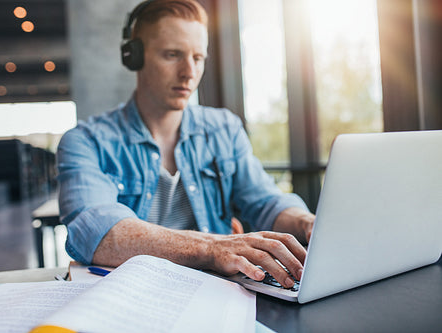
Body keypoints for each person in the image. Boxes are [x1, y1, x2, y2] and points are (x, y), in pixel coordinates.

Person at [57, 0, 315, 289]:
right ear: (134, 57)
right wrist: (213, 248)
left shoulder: (224, 129)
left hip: (215, 293)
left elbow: (265, 201)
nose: (189, 72)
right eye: (172, 55)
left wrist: (306, 222)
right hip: (131, 295)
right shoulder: (86, 142)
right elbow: (97, 234)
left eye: (198, 57)